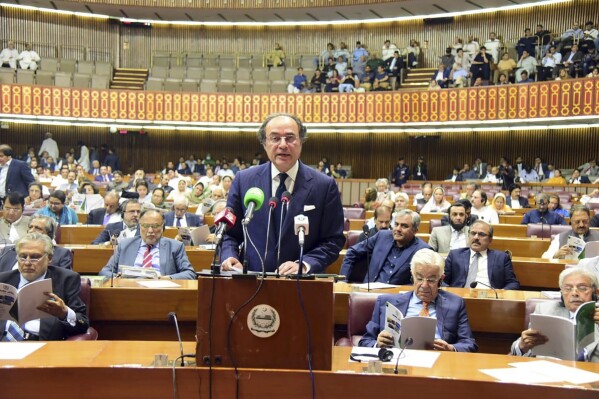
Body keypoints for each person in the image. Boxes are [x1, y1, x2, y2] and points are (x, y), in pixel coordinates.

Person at [221, 113, 345, 275]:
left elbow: (332, 240)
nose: (283, 145)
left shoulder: (324, 185)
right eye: (275, 138)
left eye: (290, 138)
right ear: (264, 143)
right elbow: (229, 233)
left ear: (301, 141)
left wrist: (305, 263)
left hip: (300, 286)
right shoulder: (244, 180)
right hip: (251, 281)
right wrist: (230, 256)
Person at [358, 249, 478, 352]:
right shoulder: (386, 302)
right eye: (419, 278)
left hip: (438, 363)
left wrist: (451, 348)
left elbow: (469, 344)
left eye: (431, 280)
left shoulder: (456, 304)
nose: (424, 285)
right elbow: (365, 341)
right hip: (398, 362)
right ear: (412, 276)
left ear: (441, 279)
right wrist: (378, 344)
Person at [0, 233, 88, 340]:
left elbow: (82, 323)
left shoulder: (66, 279)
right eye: (22, 257)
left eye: (35, 257)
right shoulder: (3, 280)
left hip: (39, 342)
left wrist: (64, 313)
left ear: (49, 258)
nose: (27, 262)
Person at [510, 267, 599, 357]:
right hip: (550, 368)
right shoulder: (545, 310)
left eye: (582, 288)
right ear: (561, 294)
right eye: (568, 289)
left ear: (595, 293)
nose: (574, 293)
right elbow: (525, 350)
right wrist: (522, 346)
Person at [341, 210, 431, 285]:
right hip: (368, 292)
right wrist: (342, 281)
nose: (398, 229)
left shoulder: (423, 250)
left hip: (397, 298)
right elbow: (352, 252)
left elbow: (425, 280)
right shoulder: (382, 236)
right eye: (396, 224)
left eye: (404, 226)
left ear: (415, 230)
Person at [99, 209, 196, 279]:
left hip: (161, 292)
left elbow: (190, 273)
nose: (150, 231)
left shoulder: (175, 246)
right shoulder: (124, 245)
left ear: (162, 227)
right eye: (145, 226)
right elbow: (105, 272)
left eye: (155, 226)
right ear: (139, 226)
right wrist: (117, 277)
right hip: (129, 290)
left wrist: (166, 278)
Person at [444, 220, 520, 290]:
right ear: (468, 235)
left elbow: (513, 283)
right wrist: (451, 293)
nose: (476, 237)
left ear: (490, 240)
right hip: (459, 298)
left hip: (490, 299)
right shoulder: (455, 255)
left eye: (481, 234)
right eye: (473, 233)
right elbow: (442, 281)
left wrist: (500, 293)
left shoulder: (502, 258)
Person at [0, 215, 72, 272]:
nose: (31, 231)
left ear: (49, 234)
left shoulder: (61, 254)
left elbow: (64, 281)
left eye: (37, 228)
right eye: (30, 227)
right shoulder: (8, 250)